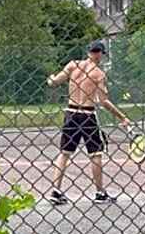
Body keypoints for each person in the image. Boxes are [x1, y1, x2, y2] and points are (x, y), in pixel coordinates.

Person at [45, 40, 129, 205]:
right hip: (87, 114)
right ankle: (99, 193)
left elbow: (54, 82)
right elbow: (104, 101)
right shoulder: (98, 74)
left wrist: (50, 78)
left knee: (64, 153)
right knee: (95, 154)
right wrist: (122, 117)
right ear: (100, 54)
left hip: (70, 113)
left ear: (88, 51)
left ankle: (56, 191)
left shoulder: (73, 65)